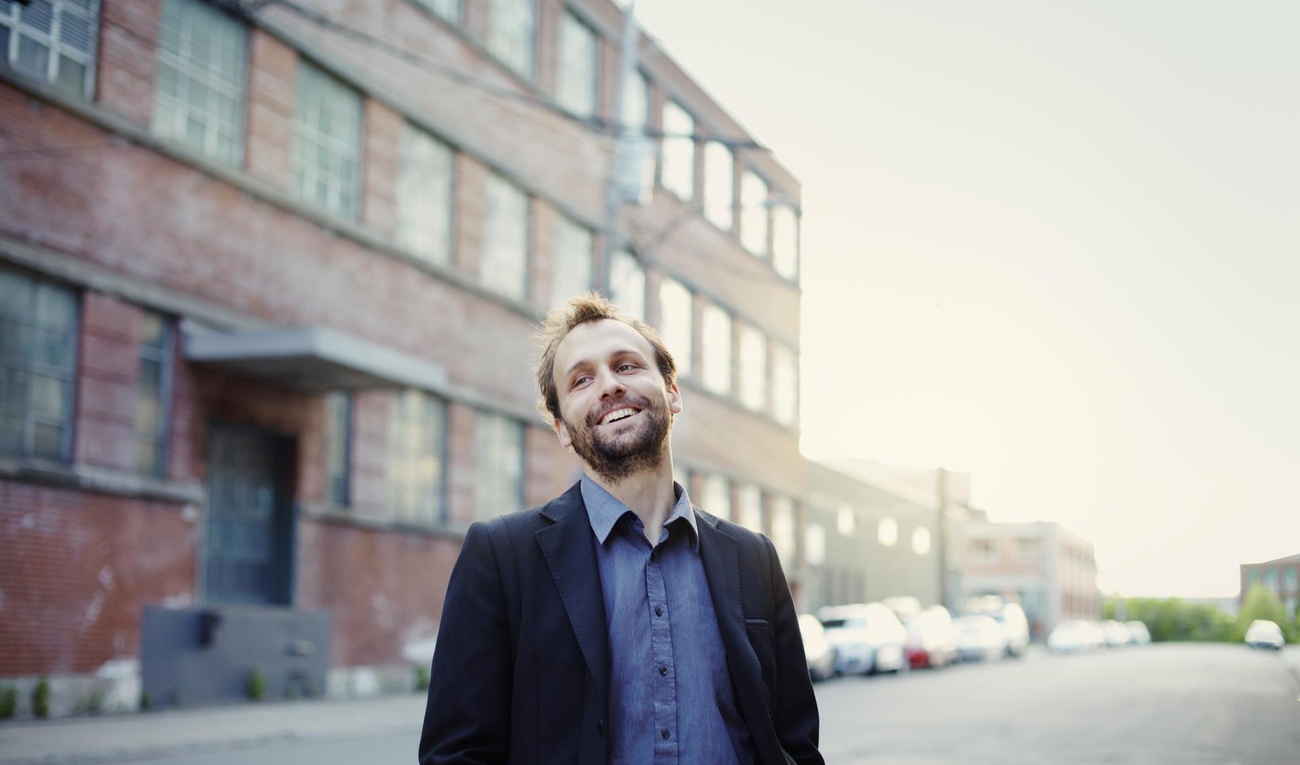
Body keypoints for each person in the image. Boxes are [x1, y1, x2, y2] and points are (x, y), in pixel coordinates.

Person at [419, 294, 822, 765]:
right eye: (582, 380)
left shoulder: (754, 558)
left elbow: (795, 745)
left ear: (672, 393)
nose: (608, 386)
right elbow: (457, 755)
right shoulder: (501, 557)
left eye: (627, 366)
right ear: (562, 428)